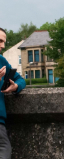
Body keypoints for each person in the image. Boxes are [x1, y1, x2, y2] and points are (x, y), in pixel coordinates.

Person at [0, 27, 26, 159]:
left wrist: (15, 87)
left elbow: (21, 80)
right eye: (0, 41)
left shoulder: (1, 60)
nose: (3, 46)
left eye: (4, 42)